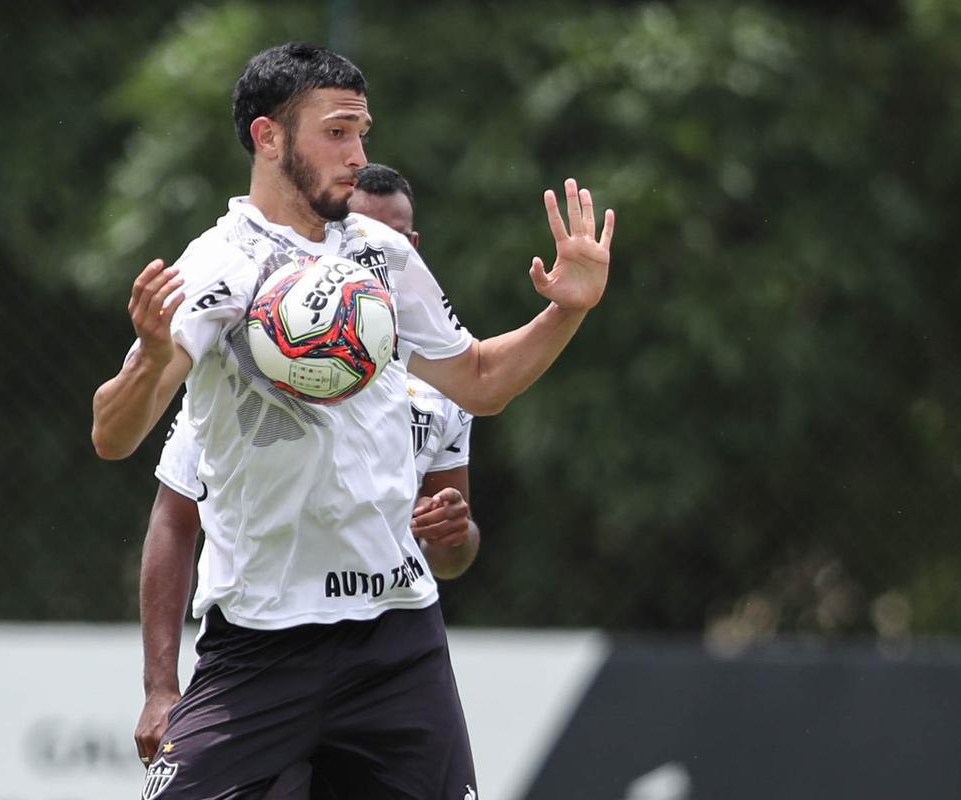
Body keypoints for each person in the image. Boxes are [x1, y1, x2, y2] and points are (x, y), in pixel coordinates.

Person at [92, 41, 613, 800]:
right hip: (261, 647)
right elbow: (113, 434)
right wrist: (145, 354)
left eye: (362, 131)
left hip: (396, 638)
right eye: (336, 132)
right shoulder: (217, 267)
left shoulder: (380, 255)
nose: (357, 153)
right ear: (268, 137)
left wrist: (565, 310)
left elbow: (480, 382)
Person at [133, 164, 480, 775]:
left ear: (405, 251)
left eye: (379, 239)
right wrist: (161, 685)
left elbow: (454, 554)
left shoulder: (440, 387)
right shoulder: (250, 373)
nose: (348, 265)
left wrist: (455, 534)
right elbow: (173, 518)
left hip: (389, 643)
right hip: (261, 649)